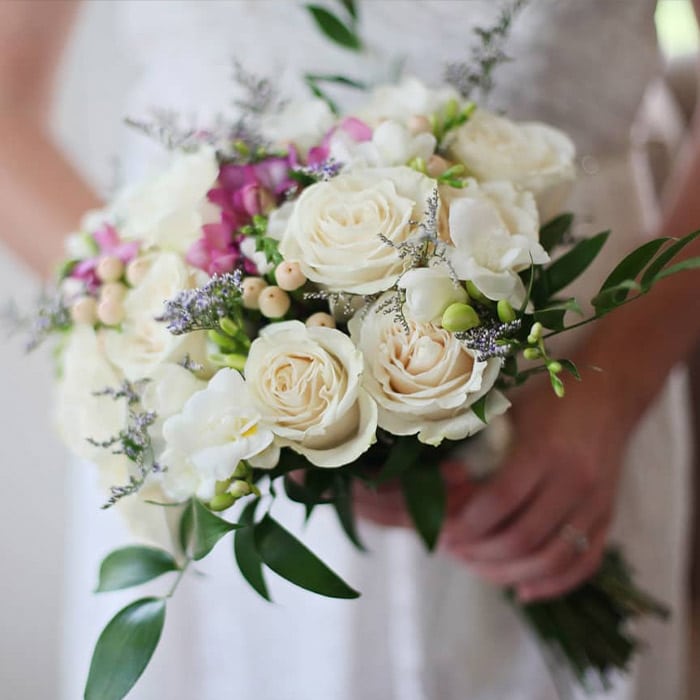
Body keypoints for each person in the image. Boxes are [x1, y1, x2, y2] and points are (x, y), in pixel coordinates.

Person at [1, 1, 698, 699]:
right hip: (216, 413)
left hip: (575, 382)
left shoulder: (600, 399)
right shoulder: (211, 374)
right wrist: (202, 354)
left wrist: (612, 394)